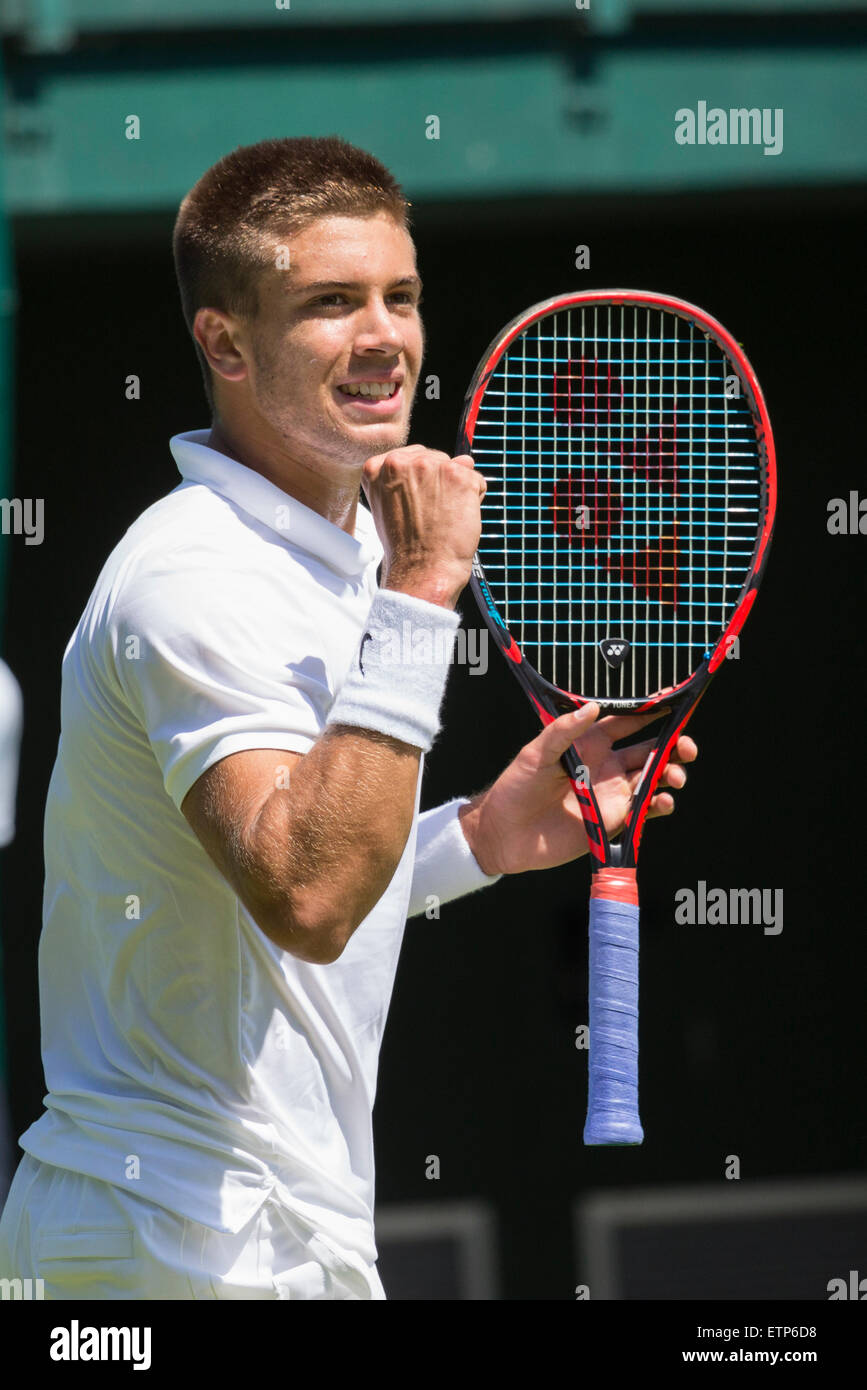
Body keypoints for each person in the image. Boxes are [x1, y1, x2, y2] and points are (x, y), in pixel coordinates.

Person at [0, 136, 696, 1300]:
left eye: (401, 296)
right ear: (222, 340)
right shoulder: (192, 576)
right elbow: (310, 896)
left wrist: (473, 839)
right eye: (331, 303)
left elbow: (271, 908)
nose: (385, 336)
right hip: (172, 1241)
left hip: (263, 1233)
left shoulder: (351, 549)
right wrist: (422, 596)